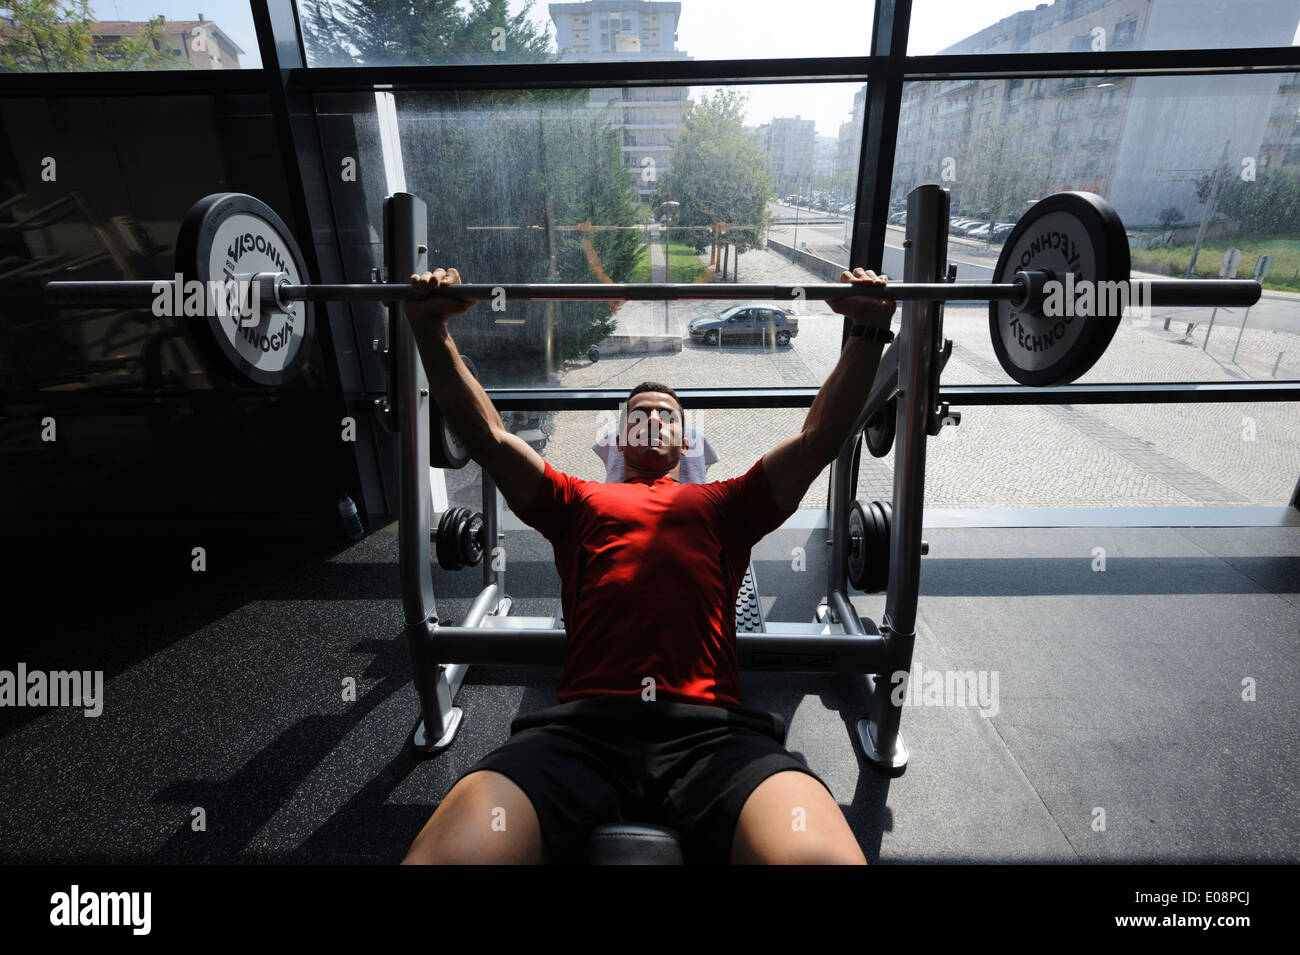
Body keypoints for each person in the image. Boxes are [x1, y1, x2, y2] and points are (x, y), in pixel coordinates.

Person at [401, 267, 895, 865]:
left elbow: (819, 439)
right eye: (640, 412)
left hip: (713, 734)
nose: (655, 419)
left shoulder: (724, 503)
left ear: (686, 443)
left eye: (668, 414)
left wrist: (869, 327)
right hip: (580, 731)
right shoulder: (578, 500)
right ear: (619, 436)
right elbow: (491, 440)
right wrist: (432, 331)